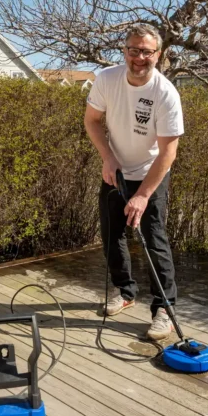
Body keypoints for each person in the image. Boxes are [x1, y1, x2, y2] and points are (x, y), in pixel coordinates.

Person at [83, 23, 184, 340]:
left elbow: (168, 152)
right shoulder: (107, 79)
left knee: (154, 241)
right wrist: (107, 157)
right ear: (124, 51)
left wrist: (142, 195)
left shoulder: (165, 93)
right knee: (112, 236)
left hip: (152, 173)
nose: (140, 57)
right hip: (116, 170)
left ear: (158, 54)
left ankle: (164, 310)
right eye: (134, 50)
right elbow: (92, 121)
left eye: (147, 51)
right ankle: (126, 291)